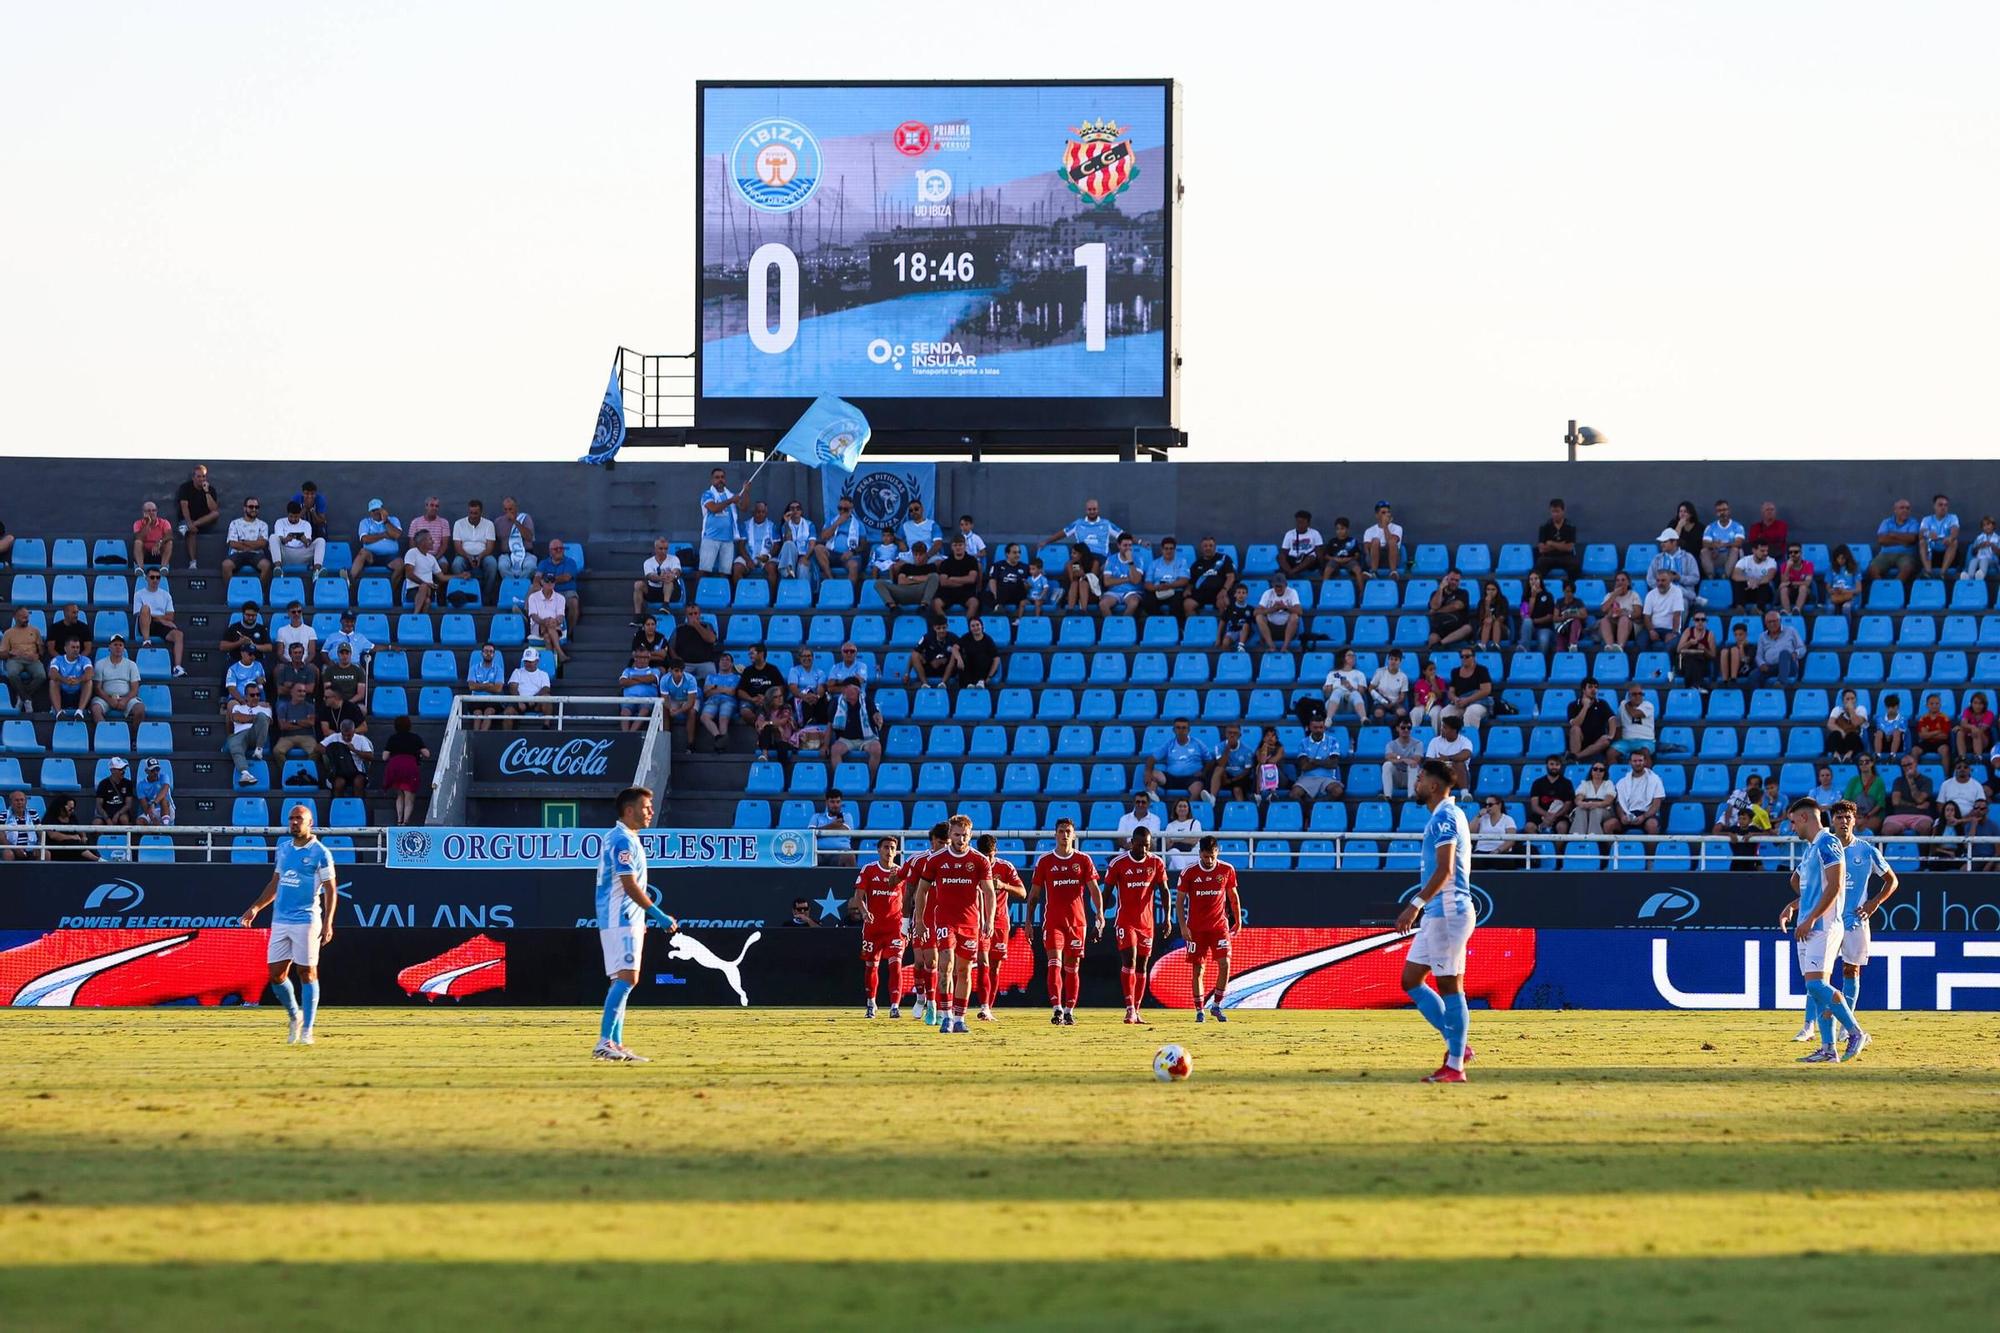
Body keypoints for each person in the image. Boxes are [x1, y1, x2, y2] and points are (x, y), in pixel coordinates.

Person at [1788, 799, 1901, 1042]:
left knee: (1850, 971)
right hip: (1827, 919)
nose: (1843, 821)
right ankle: (1809, 1027)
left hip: (1852, 921)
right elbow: (1801, 880)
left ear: (1855, 820)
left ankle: (1844, 1028)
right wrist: (1801, 903)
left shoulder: (1866, 850)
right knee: (1817, 977)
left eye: (1848, 817)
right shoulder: (1821, 847)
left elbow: (1892, 881)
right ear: (1833, 820)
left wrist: (1874, 903)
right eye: (1839, 817)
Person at [1394, 759, 1477, 1082]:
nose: (1416, 783)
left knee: (1450, 984)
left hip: (1448, 912)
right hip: (1437, 914)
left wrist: (1413, 905)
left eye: (1420, 778)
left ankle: (1455, 1065)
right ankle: (1457, 1044)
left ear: (1432, 785)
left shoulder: (1444, 817)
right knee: (1411, 980)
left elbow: (1445, 871)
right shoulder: (1444, 816)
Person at [237, 802, 338, 1047]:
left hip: (307, 920)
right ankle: (295, 1015)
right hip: (280, 920)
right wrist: (256, 907)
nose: (294, 822)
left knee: (307, 972)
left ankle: (308, 1032)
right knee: (276, 975)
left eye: (299, 819)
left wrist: (328, 923)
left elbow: (330, 890)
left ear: (310, 823)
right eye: (291, 818)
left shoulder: (320, 852)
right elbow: (275, 883)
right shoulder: (283, 849)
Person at [1776, 799, 1868, 1063]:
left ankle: (1855, 1031)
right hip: (1809, 924)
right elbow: (1811, 889)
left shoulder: (1828, 843)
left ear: (1804, 817)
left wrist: (1811, 917)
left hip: (1825, 925)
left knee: (1816, 984)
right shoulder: (1810, 850)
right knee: (1817, 989)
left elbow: (1836, 885)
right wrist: (1792, 907)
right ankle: (1828, 1049)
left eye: (1793, 822)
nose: (1792, 828)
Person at [592, 786, 677, 1063]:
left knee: (623, 978)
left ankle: (614, 1042)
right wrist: (659, 915)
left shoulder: (626, 837)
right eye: (646, 807)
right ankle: (605, 1041)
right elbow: (628, 885)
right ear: (629, 810)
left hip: (624, 918)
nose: (651, 811)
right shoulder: (622, 841)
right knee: (627, 978)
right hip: (620, 917)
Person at [909, 815, 993, 1035]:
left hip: (970, 923)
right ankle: (945, 1016)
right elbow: (922, 891)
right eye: (956, 834)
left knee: (964, 971)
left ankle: (959, 1018)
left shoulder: (979, 860)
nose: (961, 839)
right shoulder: (936, 860)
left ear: (970, 835)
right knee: (945, 965)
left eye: (965, 835)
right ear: (950, 835)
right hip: (945, 921)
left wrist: (989, 919)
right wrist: (918, 920)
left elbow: (988, 891)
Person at [1026, 817, 1104, 1027]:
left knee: (1073, 967)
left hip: (1077, 923)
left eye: (1068, 831)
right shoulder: (1045, 861)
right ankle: (1057, 1008)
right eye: (1061, 831)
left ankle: (1069, 1010)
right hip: (1053, 922)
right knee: (1054, 964)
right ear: (1055, 835)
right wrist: (1028, 922)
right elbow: (1033, 895)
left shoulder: (1083, 860)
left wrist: (1100, 914)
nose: (1065, 835)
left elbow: (1094, 890)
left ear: (1074, 835)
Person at [1105, 827, 1170, 1025]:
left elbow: (1165, 891)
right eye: (1139, 844)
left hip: (1146, 924)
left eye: (1146, 845)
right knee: (1130, 960)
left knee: (1142, 965)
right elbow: (1106, 892)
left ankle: (1137, 1009)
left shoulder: (1156, 862)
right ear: (1131, 842)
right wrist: (1100, 917)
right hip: (1126, 921)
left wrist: (1166, 918)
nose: (1143, 849)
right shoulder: (1119, 863)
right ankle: (1129, 1008)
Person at [850, 836, 906, 1018]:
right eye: (886, 847)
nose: (889, 851)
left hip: (895, 927)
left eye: (892, 848)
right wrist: (865, 912)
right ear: (879, 850)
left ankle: (895, 1006)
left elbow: (908, 899)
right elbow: (858, 896)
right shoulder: (869, 870)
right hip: (873, 928)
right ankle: (871, 1003)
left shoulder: (900, 873)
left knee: (895, 965)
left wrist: (908, 923)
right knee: (871, 966)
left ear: (896, 851)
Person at [973, 832, 1025, 1022]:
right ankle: (983, 1006)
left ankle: (987, 1008)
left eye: (991, 855)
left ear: (996, 852)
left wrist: (1004, 885)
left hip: (1000, 922)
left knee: (994, 967)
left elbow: (1023, 892)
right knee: (983, 963)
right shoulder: (971, 865)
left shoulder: (1005, 867)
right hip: (977, 921)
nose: (987, 859)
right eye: (984, 855)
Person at [1143, 716, 1213, 803]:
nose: (1181, 730)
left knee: (1198, 788)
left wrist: (1203, 772)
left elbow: (1210, 761)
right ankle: (1152, 794)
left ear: (1189, 730)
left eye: (1184, 728)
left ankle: (1189, 811)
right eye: (1178, 728)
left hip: (1192, 779)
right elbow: (1151, 759)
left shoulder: (1198, 743)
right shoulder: (1169, 743)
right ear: (1174, 730)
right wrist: (1148, 773)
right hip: (1171, 778)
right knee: (1153, 773)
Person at [696, 468, 750, 576]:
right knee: (704, 571)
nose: (720, 480)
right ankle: (697, 592)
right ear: (712, 480)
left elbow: (744, 507)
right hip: (711, 538)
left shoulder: (730, 495)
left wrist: (746, 491)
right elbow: (714, 508)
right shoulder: (707, 494)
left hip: (728, 540)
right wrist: (731, 501)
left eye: (722, 477)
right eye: (717, 477)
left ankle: (722, 592)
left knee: (725, 572)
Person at [827, 683, 883, 779]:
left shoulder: (866, 701)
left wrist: (878, 717)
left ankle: (869, 781)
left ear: (857, 691)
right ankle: (840, 780)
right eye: (846, 690)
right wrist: (825, 745)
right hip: (846, 739)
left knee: (876, 748)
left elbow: (875, 713)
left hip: (866, 739)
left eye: (851, 691)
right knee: (835, 749)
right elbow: (830, 726)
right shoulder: (837, 703)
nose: (848, 693)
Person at [1046, 499, 1117, 572]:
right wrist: (1046, 542)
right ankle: (1076, 579)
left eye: (1094, 509)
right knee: (1071, 566)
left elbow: (1122, 536)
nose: (1092, 512)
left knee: (1095, 566)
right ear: (1086, 510)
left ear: (1098, 510)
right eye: (1089, 509)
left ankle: (1090, 580)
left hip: (1101, 559)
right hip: (1081, 559)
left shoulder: (1106, 524)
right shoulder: (1078, 524)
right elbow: (1063, 533)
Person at [1608, 748, 1665, 835]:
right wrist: (1622, 816)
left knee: (1652, 825)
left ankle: (1651, 849)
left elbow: (1656, 805)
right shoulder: (1622, 782)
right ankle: (1612, 849)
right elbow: (1619, 803)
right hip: (1628, 815)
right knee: (1609, 825)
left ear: (1645, 762)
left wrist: (1644, 816)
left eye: (1640, 760)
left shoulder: (1655, 779)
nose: (1638, 763)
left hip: (1647, 815)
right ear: (1630, 762)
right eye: (1635, 761)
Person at [1866, 498, 1921, 588]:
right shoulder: (1886, 522)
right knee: (1871, 569)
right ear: (1895, 510)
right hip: (1885, 554)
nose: (1905, 510)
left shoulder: (1913, 522)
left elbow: (1912, 539)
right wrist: (1903, 540)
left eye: (1907, 508)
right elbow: (1881, 540)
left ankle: (1893, 590)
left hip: (1905, 555)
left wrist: (1892, 535)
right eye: (1902, 508)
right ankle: (1882, 589)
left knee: (1907, 569)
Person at [89, 635, 144, 724]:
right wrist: (109, 700)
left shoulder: (131, 664)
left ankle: (134, 736)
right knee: (95, 709)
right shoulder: (100, 664)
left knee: (140, 709)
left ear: (123, 648)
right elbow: (97, 688)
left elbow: (135, 688)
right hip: (105, 698)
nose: (118, 647)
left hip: (126, 698)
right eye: (115, 645)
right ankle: (105, 734)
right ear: (109, 647)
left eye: (120, 645)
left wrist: (125, 700)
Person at [1, 607, 48, 711]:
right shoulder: (8, 633)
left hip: (32, 659)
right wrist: (10, 653)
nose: (26, 619)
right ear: (15, 617)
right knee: (12, 674)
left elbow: (41, 651)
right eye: (23, 617)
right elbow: (2, 654)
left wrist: (38, 655)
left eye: (27, 617)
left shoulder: (35, 631)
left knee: (42, 676)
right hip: (15, 659)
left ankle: (22, 696)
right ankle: (27, 699)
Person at [1289, 717, 1345, 803]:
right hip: (1307, 778)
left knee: (1338, 791)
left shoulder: (1333, 741)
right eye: (1315, 727)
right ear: (1310, 727)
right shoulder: (1303, 743)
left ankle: (1316, 805)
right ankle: (1307, 813)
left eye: (1321, 727)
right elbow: (1304, 766)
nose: (1318, 730)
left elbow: (1333, 764)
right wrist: (1325, 761)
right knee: (1294, 794)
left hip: (1327, 778)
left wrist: (1314, 761)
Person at [175, 464, 221, 568]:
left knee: (216, 514)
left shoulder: (210, 489)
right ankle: (193, 562)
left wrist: (207, 492)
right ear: (193, 477)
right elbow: (184, 506)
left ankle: (188, 527)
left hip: (203, 521)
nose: (201, 479)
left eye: (203, 476)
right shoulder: (185, 488)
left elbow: (213, 509)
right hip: (186, 520)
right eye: (199, 476)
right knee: (191, 532)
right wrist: (189, 523)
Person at [268, 500, 325, 581]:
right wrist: (286, 539)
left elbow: (308, 543)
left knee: (321, 540)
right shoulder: (280, 522)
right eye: (291, 516)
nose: (294, 519)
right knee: (273, 537)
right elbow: (280, 540)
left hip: (302, 554)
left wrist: (304, 540)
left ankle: (316, 572)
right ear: (288, 514)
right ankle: (278, 569)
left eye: (296, 517)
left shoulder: (306, 524)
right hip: (285, 554)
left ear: (300, 514)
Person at [351, 499, 405, 584]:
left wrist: (386, 521)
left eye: (378, 509)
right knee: (362, 552)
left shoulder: (393, 520)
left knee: (400, 564)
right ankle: (350, 582)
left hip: (390, 556)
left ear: (383, 509)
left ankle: (391, 593)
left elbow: (396, 535)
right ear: (370, 512)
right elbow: (365, 539)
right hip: (371, 556)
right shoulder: (365, 522)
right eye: (373, 510)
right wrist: (384, 535)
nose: (376, 512)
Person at [876, 541, 940, 611]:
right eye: (916, 555)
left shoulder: (931, 567)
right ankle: (893, 607)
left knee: (935, 576)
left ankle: (924, 605)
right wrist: (923, 578)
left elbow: (933, 580)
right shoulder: (906, 566)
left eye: (920, 555)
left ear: (925, 554)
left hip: (921, 592)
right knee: (879, 583)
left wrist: (910, 578)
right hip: (903, 591)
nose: (918, 557)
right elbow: (901, 581)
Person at [1138, 536, 1191, 619]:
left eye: (1171, 548)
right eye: (1166, 548)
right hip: (1157, 590)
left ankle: (1176, 627)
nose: (1169, 551)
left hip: (1175, 590)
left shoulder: (1182, 562)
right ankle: (1161, 622)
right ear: (1161, 549)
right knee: (1147, 602)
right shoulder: (1154, 563)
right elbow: (1147, 583)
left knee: (1177, 605)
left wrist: (1169, 586)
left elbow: (1184, 580)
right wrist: (1157, 587)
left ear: (1174, 549)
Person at [1648, 529, 1701, 607]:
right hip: (1661, 594)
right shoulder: (1657, 559)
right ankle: (1695, 598)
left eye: (1665, 541)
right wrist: (1663, 587)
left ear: (1674, 542)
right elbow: (1650, 579)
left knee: (1681, 603)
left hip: (1682, 597)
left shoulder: (1688, 558)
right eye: (1661, 542)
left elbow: (1695, 578)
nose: (1662, 544)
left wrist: (1680, 578)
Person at [1566, 677, 1615, 761]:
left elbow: (1612, 719)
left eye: (1596, 687)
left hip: (1597, 742)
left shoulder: (1602, 703)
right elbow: (1576, 724)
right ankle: (1576, 757)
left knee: (1606, 740)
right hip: (1580, 741)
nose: (1594, 690)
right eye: (1590, 687)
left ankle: (1576, 757)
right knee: (1575, 729)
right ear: (1583, 690)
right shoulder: (1573, 705)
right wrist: (1585, 707)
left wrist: (1611, 735)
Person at [504, 647, 554, 729]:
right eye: (526, 661)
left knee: (547, 698)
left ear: (537, 661)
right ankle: (506, 736)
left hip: (537, 702)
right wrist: (519, 701)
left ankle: (546, 726)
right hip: (520, 701)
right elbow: (513, 687)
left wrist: (534, 699)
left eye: (530, 661)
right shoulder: (517, 672)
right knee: (508, 712)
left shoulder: (543, 674)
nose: (528, 663)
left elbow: (546, 689)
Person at [932, 536, 983, 617]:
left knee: (974, 603)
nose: (958, 547)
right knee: (936, 603)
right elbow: (943, 582)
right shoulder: (946, 562)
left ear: (965, 546)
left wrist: (952, 578)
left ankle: (967, 625)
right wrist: (962, 581)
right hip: (948, 592)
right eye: (955, 545)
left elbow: (971, 579)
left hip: (966, 592)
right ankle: (945, 624)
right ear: (951, 547)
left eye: (960, 545)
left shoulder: (972, 561)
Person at [1751, 610, 1804, 686]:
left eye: (1775, 621)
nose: (1772, 624)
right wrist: (1762, 664)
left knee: (1784, 653)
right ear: (1766, 624)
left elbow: (1802, 648)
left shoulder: (1790, 631)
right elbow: (1759, 655)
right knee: (1753, 676)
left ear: (1780, 621)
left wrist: (1796, 653)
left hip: (1788, 665)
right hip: (1771, 668)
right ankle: (1758, 697)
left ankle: (1780, 683)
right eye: (1769, 622)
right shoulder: (1762, 636)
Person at [1097, 534, 1144, 616]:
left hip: (1132, 591)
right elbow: (1107, 582)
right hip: (1114, 592)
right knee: (1103, 604)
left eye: (1130, 545)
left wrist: (1130, 562)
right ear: (1119, 546)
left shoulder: (1138, 559)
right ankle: (1112, 625)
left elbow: (1136, 580)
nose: (1128, 548)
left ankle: (1124, 625)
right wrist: (1128, 579)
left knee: (1133, 603)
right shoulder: (1111, 559)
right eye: (1125, 545)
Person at [1533, 498, 1579, 581]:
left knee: (1575, 565)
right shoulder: (1544, 527)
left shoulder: (1570, 526)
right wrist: (1561, 545)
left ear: (1563, 511)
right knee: (1539, 564)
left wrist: (1551, 543)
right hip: (1549, 557)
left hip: (1565, 557)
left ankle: (1571, 589)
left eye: (1557, 511)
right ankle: (1539, 590)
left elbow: (1569, 548)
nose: (1555, 514)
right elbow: (1542, 549)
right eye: (1553, 512)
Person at [1526, 755, 1575, 833]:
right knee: (1529, 826)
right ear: (1547, 765)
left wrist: (1554, 816)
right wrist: (1547, 815)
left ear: (1561, 766)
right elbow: (1534, 806)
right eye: (1552, 764)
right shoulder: (1537, 783)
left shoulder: (1567, 783)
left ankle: (1556, 846)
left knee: (1562, 827)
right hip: (1540, 814)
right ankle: (1538, 845)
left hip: (1560, 815)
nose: (1554, 767)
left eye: (1557, 764)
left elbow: (1567, 805)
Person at [1256, 572, 1304, 651]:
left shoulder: (1292, 592)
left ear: (1285, 585)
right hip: (1271, 628)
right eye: (1276, 586)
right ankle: (1271, 646)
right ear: (1273, 586)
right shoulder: (1268, 593)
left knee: (1294, 616)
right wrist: (1272, 609)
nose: (1278, 589)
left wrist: (1285, 607)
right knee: (1259, 617)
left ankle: (1285, 646)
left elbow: (1300, 611)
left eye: (1280, 586)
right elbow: (1256, 612)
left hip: (1287, 628)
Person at [47, 639, 94, 719]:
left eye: (78, 647)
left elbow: (90, 673)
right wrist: (65, 680)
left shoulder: (84, 659)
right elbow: (52, 673)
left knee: (88, 682)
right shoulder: (58, 659)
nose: (76, 650)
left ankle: (80, 712)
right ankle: (59, 713)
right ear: (65, 649)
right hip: (63, 693)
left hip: (78, 693)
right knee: (53, 681)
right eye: (73, 647)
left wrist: (78, 680)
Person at [1425, 570, 1472, 647]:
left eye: (1456, 580)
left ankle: (1441, 643)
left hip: (1458, 628)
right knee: (1432, 638)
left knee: (1467, 628)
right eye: (1452, 579)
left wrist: (1437, 611)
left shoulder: (1463, 593)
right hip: (1440, 629)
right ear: (1446, 579)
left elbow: (1456, 606)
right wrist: (1440, 588)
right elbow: (1434, 606)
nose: (1454, 582)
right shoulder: (1435, 594)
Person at [1380, 718, 1425, 800]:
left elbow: (1416, 760)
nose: (1406, 730)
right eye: (1403, 727)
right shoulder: (1391, 744)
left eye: (1409, 728)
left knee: (1413, 766)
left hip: (1411, 776)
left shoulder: (1418, 743)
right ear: (1397, 728)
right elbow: (1388, 757)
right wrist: (1403, 759)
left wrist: (1396, 757)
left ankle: (1412, 796)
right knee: (1387, 765)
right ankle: (1387, 796)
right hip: (1397, 776)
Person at [1700, 499, 1745, 580]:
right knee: (1704, 551)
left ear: (1729, 511)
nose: (1722, 513)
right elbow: (1705, 543)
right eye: (1719, 510)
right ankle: (1711, 577)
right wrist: (1714, 546)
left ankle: (1725, 576)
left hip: (1730, 556)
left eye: (1724, 510)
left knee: (1735, 550)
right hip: (1715, 556)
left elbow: (1739, 543)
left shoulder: (1737, 526)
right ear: (1716, 513)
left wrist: (1724, 544)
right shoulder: (1710, 527)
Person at [495, 496, 538, 581]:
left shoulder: (525, 518)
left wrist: (515, 521)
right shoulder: (498, 522)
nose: (508, 512)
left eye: (510, 509)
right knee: (502, 566)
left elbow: (529, 538)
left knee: (531, 566)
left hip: (525, 553)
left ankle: (520, 584)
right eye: (505, 509)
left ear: (516, 508)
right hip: (507, 554)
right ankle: (512, 585)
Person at [1597, 571, 1641, 651]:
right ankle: (1609, 647)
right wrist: (1614, 595)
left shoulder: (1633, 595)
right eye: (1618, 580)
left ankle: (1620, 647)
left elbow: (1638, 613)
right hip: (1613, 626)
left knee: (1623, 619)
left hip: (1629, 628)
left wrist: (1625, 614)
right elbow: (1603, 609)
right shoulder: (1610, 595)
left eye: (1623, 580)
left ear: (1628, 582)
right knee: (1604, 620)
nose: (1620, 582)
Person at [1641, 569, 1686, 647]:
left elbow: (1677, 614)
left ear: (1670, 581)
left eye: (1663, 580)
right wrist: (1651, 631)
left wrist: (1674, 633)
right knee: (1640, 641)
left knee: (1669, 646)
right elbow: (1646, 617)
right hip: (1654, 629)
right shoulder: (1650, 594)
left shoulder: (1677, 592)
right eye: (1658, 581)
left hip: (1670, 629)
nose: (1660, 583)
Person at [1919, 493, 1961, 577]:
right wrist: (1928, 534)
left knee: (1954, 541)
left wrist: (1950, 538)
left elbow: (1955, 530)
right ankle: (1928, 572)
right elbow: (1921, 533)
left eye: (1946, 505)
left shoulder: (1952, 517)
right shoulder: (1927, 519)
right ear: (1934, 506)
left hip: (1946, 548)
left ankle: (1943, 573)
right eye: (1940, 505)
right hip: (1932, 551)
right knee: (1922, 542)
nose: (1943, 507)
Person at [1277, 510, 1325, 583]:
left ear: (1308, 523)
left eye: (1302, 522)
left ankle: (1291, 573)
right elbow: (1284, 552)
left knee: (1311, 558)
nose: (1299, 525)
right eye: (1298, 522)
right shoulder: (1289, 534)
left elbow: (1319, 552)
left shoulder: (1315, 533)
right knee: (1279, 556)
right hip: (1293, 559)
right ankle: (1291, 572)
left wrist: (1322, 567)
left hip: (1307, 561)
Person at [986, 543, 1030, 620]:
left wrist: (1028, 587)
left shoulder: (1025, 567)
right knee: (984, 595)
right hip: (1001, 593)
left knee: (1014, 587)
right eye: (1014, 552)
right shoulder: (997, 565)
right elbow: (992, 581)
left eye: (1019, 552)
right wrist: (995, 595)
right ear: (1007, 554)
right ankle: (999, 606)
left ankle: (998, 606)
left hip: (1017, 594)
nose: (1018, 555)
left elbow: (1032, 581)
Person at [1322, 649, 1368, 723]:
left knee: (1355, 693)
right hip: (1336, 704)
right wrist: (1326, 690)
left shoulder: (1359, 674)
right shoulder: (1332, 673)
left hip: (1352, 704)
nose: (1352, 657)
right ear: (1342, 658)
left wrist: (1350, 687)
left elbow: (1361, 693)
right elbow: (1328, 694)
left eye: (1354, 656)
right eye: (1349, 655)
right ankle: (1328, 719)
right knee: (1337, 691)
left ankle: (1363, 718)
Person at [1675, 610, 1717, 691]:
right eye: (1697, 620)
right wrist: (1689, 643)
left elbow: (1713, 655)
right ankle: (1696, 686)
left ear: (1706, 621)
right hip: (1685, 663)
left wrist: (1704, 649)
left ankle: (1690, 687)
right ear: (1694, 621)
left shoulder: (1710, 634)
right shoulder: (1688, 631)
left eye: (1703, 620)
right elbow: (1678, 650)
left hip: (1702, 663)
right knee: (1691, 659)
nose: (1700, 622)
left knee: (1696, 659)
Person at [1611, 685, 1655, 760]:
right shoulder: (1622, 705)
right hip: (1626, 741)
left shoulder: (1648, 705)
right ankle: (1615, 771)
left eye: (1640, 694)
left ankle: (1647, 772)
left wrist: (1627, 705)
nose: (1638, 696)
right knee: (1611, 753)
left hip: (1646, 741)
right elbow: (1618, 724)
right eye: (1634, 694)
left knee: (1644, 753)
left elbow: (1635, 714)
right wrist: (1618, 740)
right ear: (1628, 696)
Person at [1160, 797, 1203, 874]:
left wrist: (1175, 840)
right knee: (1174, 851)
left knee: (1173, 864)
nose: (1182, 808)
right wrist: (1185, 839)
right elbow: (1167, 845)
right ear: (1175, 809)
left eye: (1185, 806)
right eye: (1180, 806)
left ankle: (1179, 879)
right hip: (1173, 853)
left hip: (1192, 854)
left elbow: (1194, 841)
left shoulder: (1195, 823)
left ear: (1188, 809)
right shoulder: (1170, 825)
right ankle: (1184, 877)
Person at [1823, 688, 1868, 759]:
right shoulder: (1837, 710)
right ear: (1843, 700)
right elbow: (1830, 724)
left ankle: (1848, 756)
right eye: (1847, 699)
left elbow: (1856, 723)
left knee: (1852, 735)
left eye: (1852, 698)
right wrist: (1842, 732)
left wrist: (1851, 710)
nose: (1850, 701)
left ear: (1856, 699)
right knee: (1834, 734)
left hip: (1854, 743)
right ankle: (1835, 755)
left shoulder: (1861, 709)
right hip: (1840, 741)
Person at [131, 500, 175, 570]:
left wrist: (159, 542)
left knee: (169, 542)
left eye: (154, 510)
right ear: (144, 513)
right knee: (137, 542)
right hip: (144, 550)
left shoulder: (164, 522)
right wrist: (148, 524)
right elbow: (138, 537)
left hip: (159, 550)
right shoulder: (138, 523)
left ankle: (163, 567)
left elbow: (170, 535)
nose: (151, 513)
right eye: (148, 511)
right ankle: (140, 568)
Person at [1472, 797, 1519, 864]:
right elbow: (1471, 831)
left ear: (1499, 805)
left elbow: (1511, 840)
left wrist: (1498, 850)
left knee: (1507, 863)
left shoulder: (1508, 819)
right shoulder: (1482, 818)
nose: (1487, 807)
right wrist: (1478, 816)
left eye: (1490, 805)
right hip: (1481, 850)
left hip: (1501, 851)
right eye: (1486, 805)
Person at [1362, 501, 1403, 577]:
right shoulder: (1369, 530)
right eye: (1383, 513)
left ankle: (1393, 572)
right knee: (1376, 540)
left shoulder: (1397, 528)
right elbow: (1366, 549)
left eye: (1388, 512)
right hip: (1374, 559)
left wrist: (1385, 526)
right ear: (1377, 515)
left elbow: (1392, 541)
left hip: (1392, 558)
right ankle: (1374, 572)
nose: (1387, 515)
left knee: (1392, 542)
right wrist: (1376, 546)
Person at [93, 756, 135, 827]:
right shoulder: (103, 784)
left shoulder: (128, 783)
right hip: (106, 812)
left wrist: (118, 814)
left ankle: (125, 838)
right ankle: (101, 838)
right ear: (112, 770)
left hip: (121, 812)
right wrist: (107, 818)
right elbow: (99, 805)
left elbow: (128, 804)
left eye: (123, 769)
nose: (123, 771)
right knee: (97, 823)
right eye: (120, 769)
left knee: (124, 819)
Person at [1954, 691, 1995, 761]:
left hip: (1983, 740)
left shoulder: (1989, 714)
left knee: (1976, 732)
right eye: (1975, 703)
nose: (1977, 706)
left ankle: (1978, 757)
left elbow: (1981, 729)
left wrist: (1967, 728)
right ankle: (1962, 757)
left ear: (1984, 705)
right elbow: (1963, 724)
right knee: (1960, 733)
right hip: (1968, 740)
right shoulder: (1967, 711)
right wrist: (1971, 727)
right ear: (1971, 704)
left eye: (1980, 703)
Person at [135, 756, 175, 826]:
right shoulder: (141, 785)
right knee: (139, 821)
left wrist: (154, 803)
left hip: (167, 809)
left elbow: (165, 789)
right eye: (152, 770)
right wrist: (153, 818)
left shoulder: (164, 777)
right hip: (152, 810)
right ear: (146, 771)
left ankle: (165, 827)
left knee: (163, 800)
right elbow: (145, 806)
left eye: (157, 769)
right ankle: (155, 834)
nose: (156, 772)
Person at [1912, 692, 1953, 760]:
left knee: (1945, 750)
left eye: (1937, 703)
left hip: (1940, 743)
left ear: (1940, 705)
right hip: (1926, 743)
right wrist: (1937, 731)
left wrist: (1928, 734)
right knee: (1914, 750)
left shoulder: (1945, 718)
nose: (1934, 706)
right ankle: (1913, 770)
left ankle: (1945, 771)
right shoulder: (1923, 719)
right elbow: (1922, 736)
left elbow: (1944, 736)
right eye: (1931, 704)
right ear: (1927, 705)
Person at [1473, 580, 1511, 649]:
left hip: (1501, 629)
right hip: (1485, 629)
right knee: (1488, 620)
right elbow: (1482, 619)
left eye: (1493, 589)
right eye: (1488, 589)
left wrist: (1492, 619)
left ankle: (1495, 645)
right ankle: (1482, 645)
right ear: (1485, 591)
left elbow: (1502, 618)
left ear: (1497, 591)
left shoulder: (1503, 600)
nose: (1490, 592)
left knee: (1496, 622)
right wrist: (1487, 605)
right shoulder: (1481, 602)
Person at [1217, 582, 1254, 652]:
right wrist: (1218, 638)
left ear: (1247, 595)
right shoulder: (1230, 608)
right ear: (1235, 595)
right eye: (1239, 592)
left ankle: (1240, 646)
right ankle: (1229, 659)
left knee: (1245, 625)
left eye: (1243, 593)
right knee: (1225, 642)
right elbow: (1222, 622)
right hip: (1232, 631)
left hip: (1245, 632)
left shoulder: (1250, 609)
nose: (1241, 595)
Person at [1963, 515, 2000, 582]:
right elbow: (1973, 552)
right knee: (1973, 561)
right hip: (1979, 557)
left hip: (1992, 559)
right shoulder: (1979, 538)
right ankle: (1969, 576)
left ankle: (1981, 575)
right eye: (1984, 525)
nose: (1986, 527)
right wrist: (1980, 546)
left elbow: (1999, 553)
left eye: (1988, 524)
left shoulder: (1998, 538)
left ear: (1993, 526)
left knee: (1984, 560)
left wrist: (1992, 545)